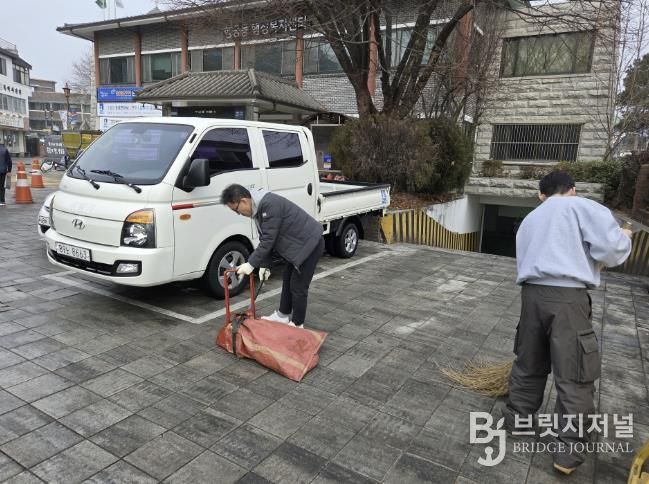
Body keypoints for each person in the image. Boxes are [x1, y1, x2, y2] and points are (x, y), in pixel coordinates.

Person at [503, 171, 632, 475]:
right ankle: (567, 454)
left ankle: (517, 421)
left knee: (529, 362)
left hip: (531, 295)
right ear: (573, 190)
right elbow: (611, 251)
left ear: (541, 195)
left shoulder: (531, 218)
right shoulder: (582, 206)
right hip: (568, 299)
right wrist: (625, 237)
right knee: (574, 374)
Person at [221, 184, 324, 329]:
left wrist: (251, 264)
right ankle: (283, 315)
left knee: (298, 286)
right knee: (287, 280)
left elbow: (268, 240)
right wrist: (265, 265)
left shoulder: (269, 205)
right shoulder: (259, 209)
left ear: (244, 201)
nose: (238, 214)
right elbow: (267, 238)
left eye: (236, 209)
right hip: (298, 247)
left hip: (310, 245)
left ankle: (297, 324)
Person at [0, 142, 12, 206]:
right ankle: (2, 201)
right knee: (1, 186)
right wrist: (9, 171)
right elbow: (9, 161)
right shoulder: (4, 149)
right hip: (3, 171)